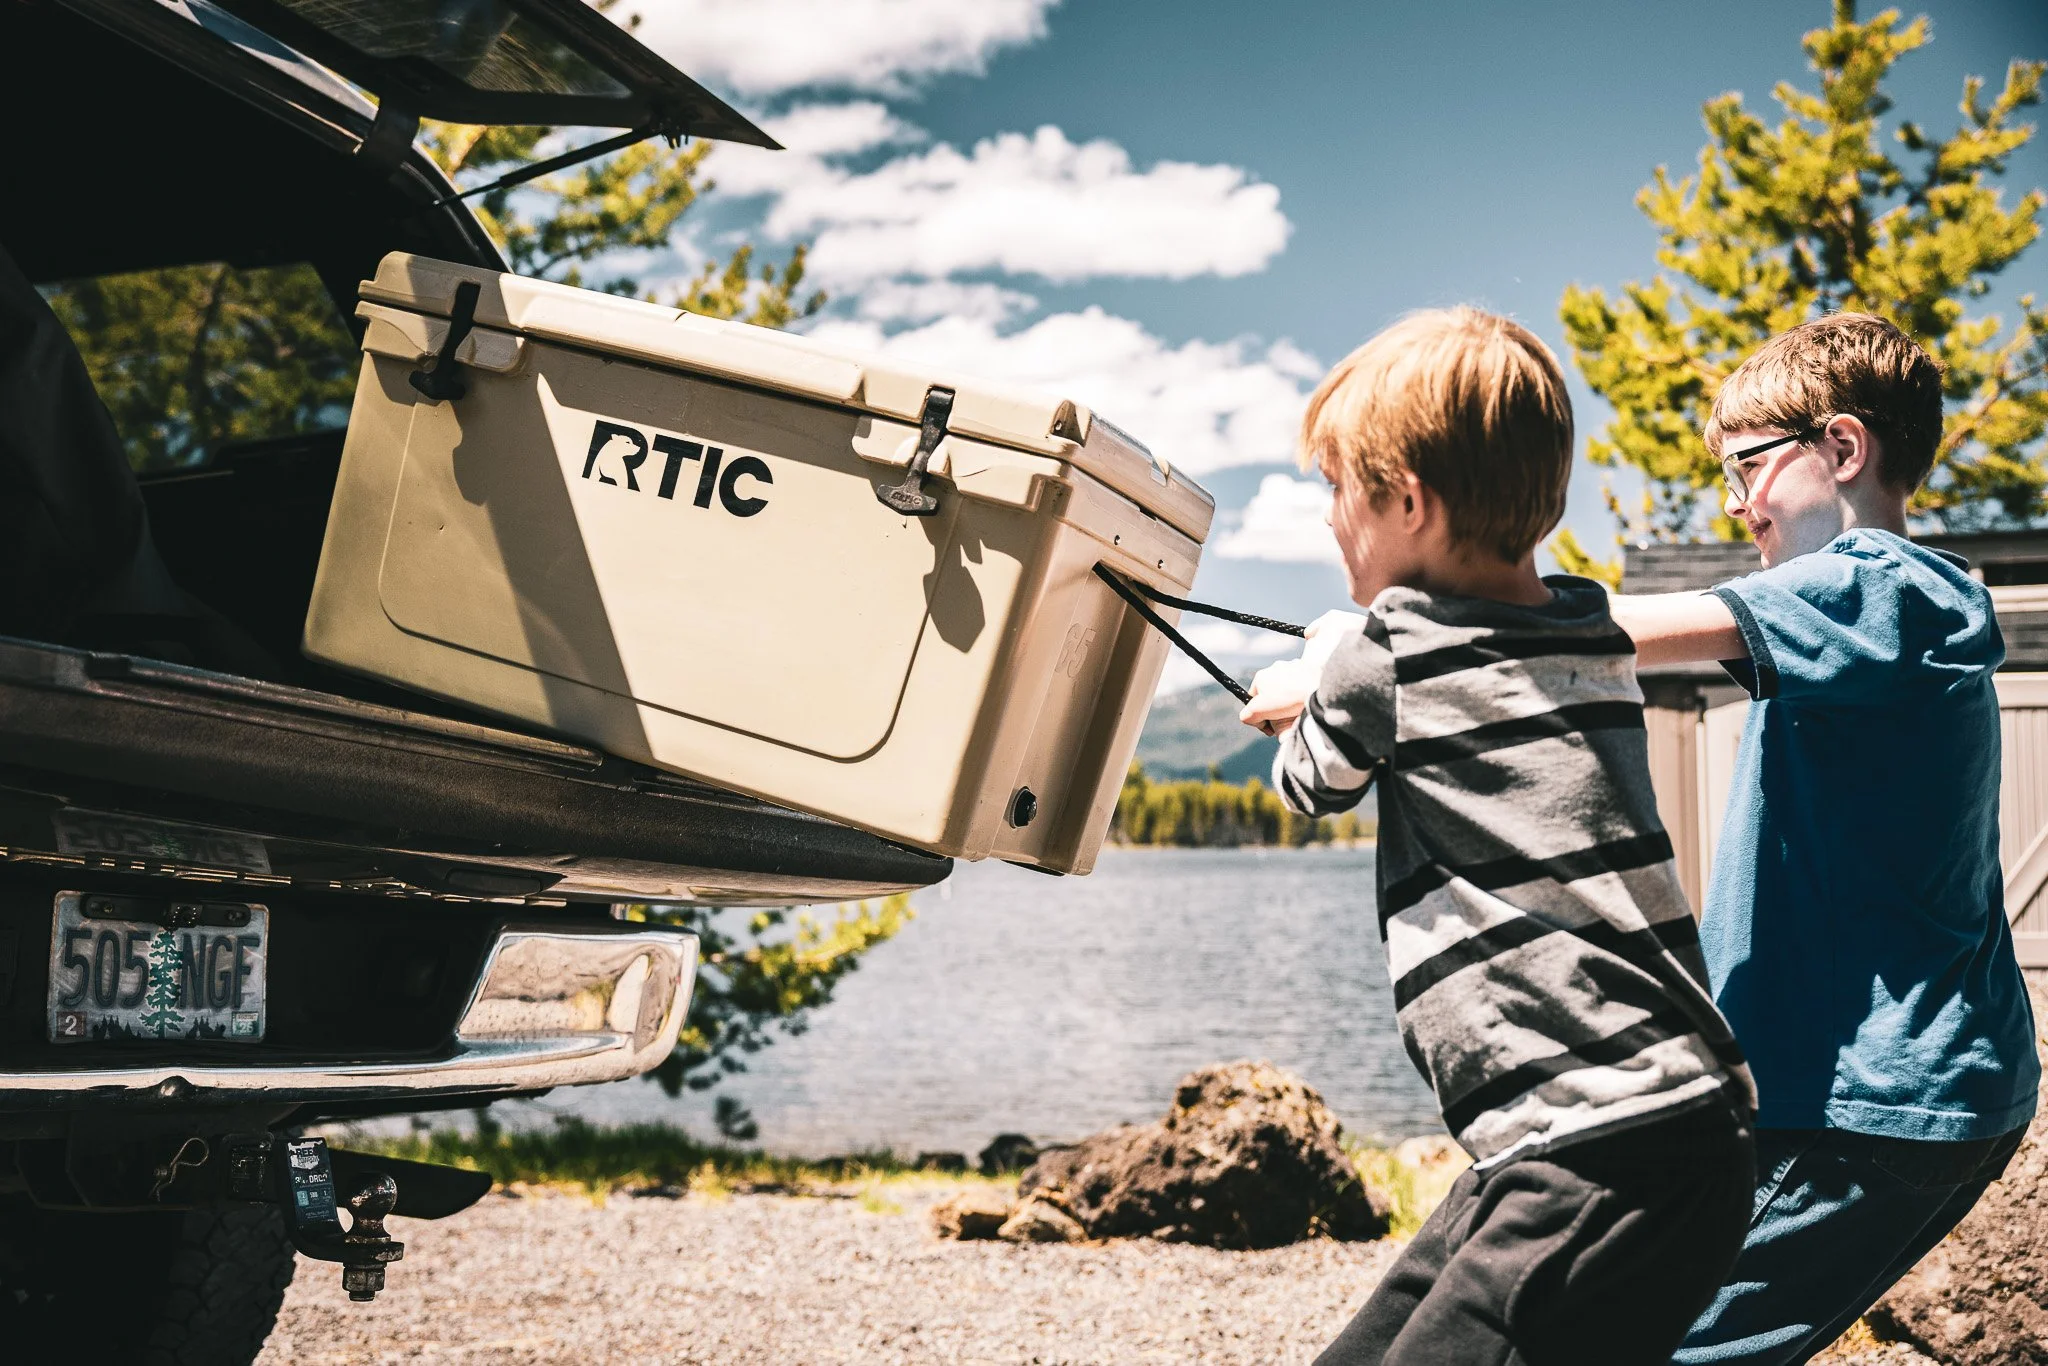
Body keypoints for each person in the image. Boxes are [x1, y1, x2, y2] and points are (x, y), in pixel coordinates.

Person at [1241, 306, 1758, 1365]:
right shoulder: (1589, 630)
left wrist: (1316, 672)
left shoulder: (1383, 655)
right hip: (1657, 1132)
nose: (1329, 517)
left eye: (1337, 488)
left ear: (1408, 503)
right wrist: (1345, 665)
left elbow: (1308, 786)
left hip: (1597, 1153)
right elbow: (1470, 673)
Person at [1604, 313, 2038, 1365]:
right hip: (1859, 1090)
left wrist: (1402, 645)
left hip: (1878, 1101)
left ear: (1840, 448)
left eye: (1747, 466)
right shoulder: (1854, 623)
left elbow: (1606, 631)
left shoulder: (1884, 585)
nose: (1736, 504)